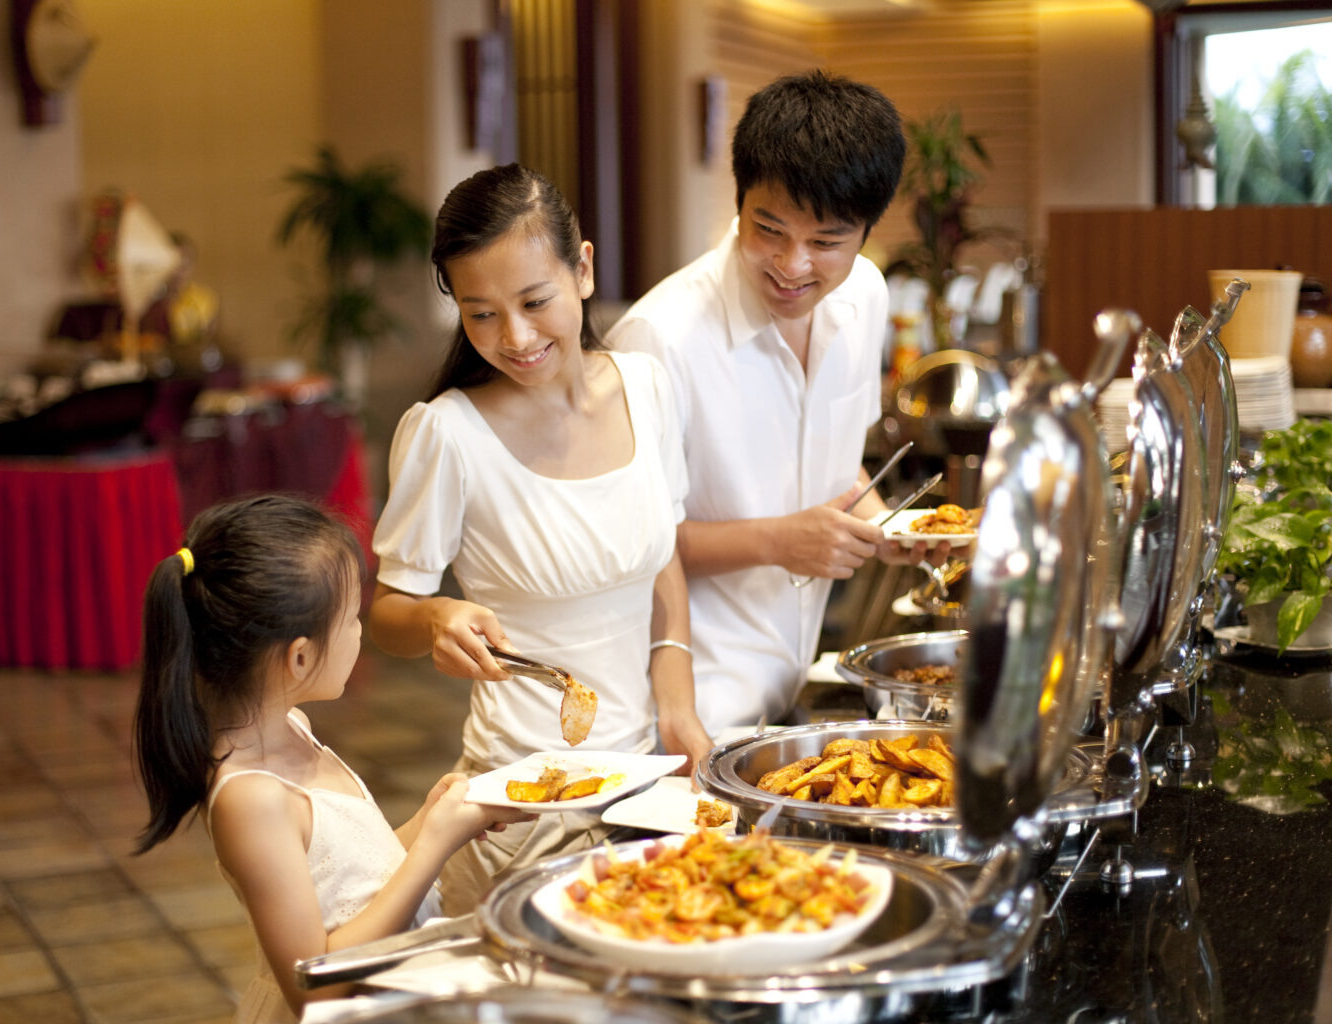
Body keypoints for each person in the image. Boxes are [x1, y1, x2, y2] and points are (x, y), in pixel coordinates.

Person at [367, 163, 712, 914]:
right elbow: (388, 614)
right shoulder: (447, 434)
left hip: (642, 790)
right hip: (517, 806)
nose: (514, 337)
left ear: (582, 269)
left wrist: (677, 704)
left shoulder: (647, 389)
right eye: (480, 313)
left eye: (533, 301)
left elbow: (663, 560)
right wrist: (435, 618)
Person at [608, 69, 946, 736]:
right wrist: (782, 541)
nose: (793, 266)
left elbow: (828, 456)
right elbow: (634, 546)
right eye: (769, 230)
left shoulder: (865, 295)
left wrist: (882, 527)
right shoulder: (658, 338)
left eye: (826, 242)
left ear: (866, 230)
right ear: (738, 204)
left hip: (791, 679)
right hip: (683, 709)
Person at [131, 494, 527, 1024]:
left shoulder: (294, 727)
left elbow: (355, 877)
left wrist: (428, 821)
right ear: (298, 656)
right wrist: (437, 844)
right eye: (350, 620)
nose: (360, 633)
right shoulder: (250, 798)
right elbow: (313, 989)